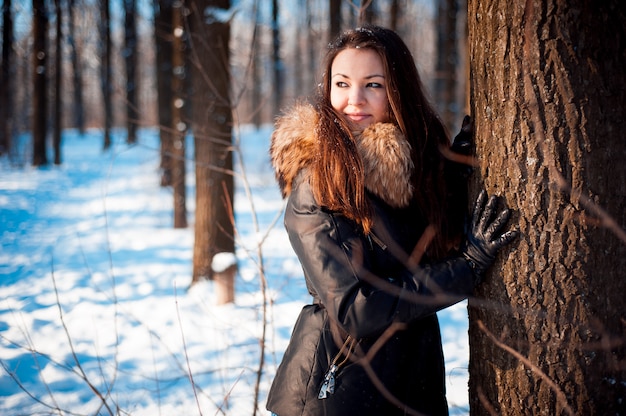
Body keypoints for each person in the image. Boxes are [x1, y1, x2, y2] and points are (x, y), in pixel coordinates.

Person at [266, 25, 517, 416]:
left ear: (398, 90)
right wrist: (467, 268)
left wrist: (452, 177)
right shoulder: (318, 180)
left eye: (373, 85)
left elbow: (417, 248)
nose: (354, 100)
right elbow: (356, 308)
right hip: (342, 388)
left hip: (412, 379)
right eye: (342, 83)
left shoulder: (405, 167)